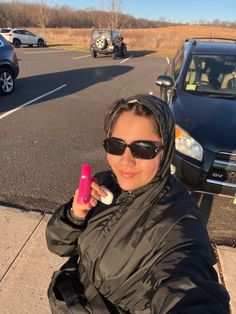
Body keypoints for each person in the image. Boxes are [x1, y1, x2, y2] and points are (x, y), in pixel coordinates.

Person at [46, 94, 230, 314]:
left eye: (143, 149)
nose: (126, 161)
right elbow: (57, 244)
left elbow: (190, 282)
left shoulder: (179, 223)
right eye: (116, 145)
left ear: (165, 151)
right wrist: (75, 214)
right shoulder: (106, 183)